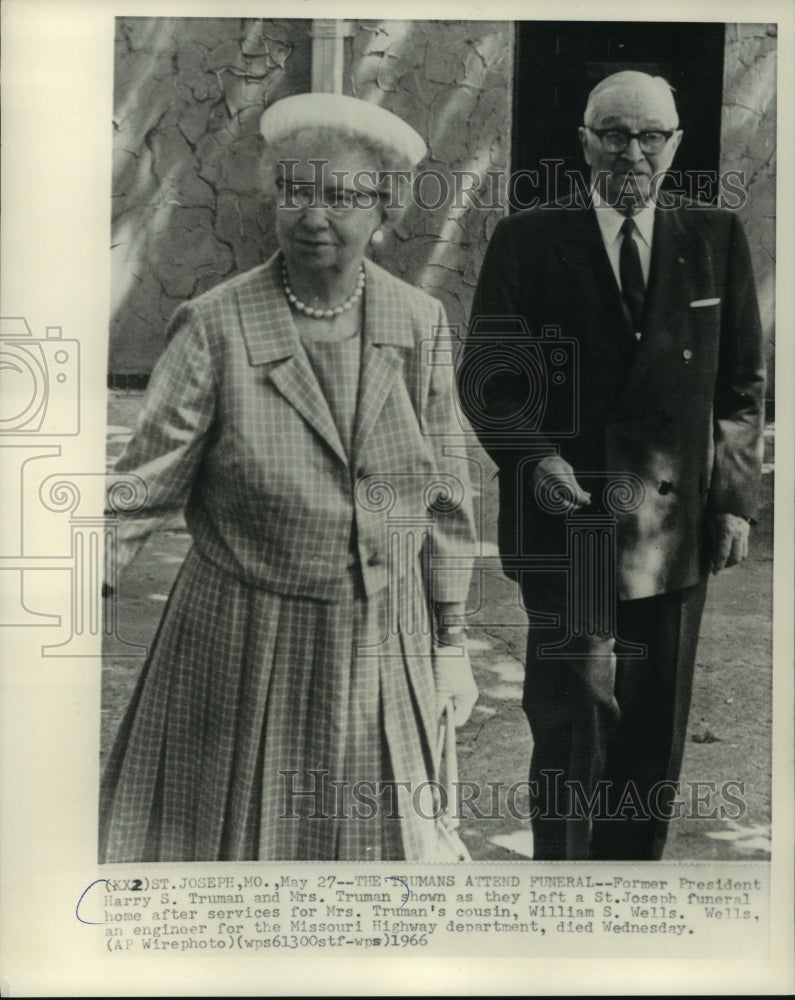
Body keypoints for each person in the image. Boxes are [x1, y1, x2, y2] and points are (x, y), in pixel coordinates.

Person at [100, 93, 478, 863]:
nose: (315, 215)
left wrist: (451, 640)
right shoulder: (215, 324)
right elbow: (141, 487)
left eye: (341, 196)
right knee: (228, 855)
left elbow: (442, 495)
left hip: (380, 636)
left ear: (384, 210)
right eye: (297, 191)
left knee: (374, 862)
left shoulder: (417, 321)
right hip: (241, 637)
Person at [461, 71, 765, 860]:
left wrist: (734, 501)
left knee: (653, 725)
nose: (631, 152)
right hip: (569, 524)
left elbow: (740, 387)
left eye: (649, 137)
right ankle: (562, 891)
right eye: (614, 134)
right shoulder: (527, 238)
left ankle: (630, 893)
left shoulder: (714, 237)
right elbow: (489, 380)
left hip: (671, 526)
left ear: (675, 146)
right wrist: (533, 457)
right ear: (583, 142)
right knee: (573, 717)